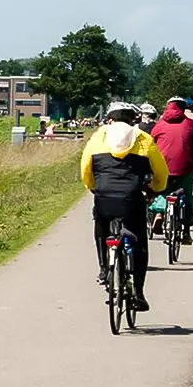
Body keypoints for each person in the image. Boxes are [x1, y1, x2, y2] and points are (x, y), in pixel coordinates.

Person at [81, 102, 168, 312]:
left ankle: (104, 269)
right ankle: (138, 293)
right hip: (132, 199)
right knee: (139, 243)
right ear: (133, 120)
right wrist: (156, 189)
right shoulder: (143, 139)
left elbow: (85, 169)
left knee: (101, 228)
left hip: (104, 197)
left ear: (109, 118)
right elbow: (161, 173)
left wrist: (94, 188)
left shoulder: (99, 137)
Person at [152, 99, 193, 244]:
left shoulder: (159, 125)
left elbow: (152, 144)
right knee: (187, 195)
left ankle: (159, 213)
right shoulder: (190, 124)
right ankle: (186, 232)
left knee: (162, 190)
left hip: (163, 168)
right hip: (185, 167)